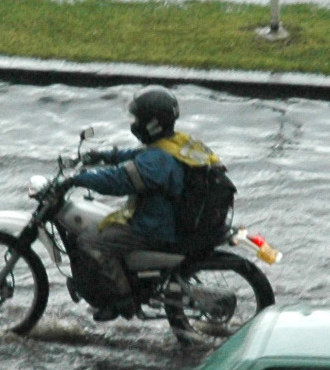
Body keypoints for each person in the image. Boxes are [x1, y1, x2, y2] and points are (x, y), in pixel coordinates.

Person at [57, 87, 224, 300]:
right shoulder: (174, 142)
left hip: (155, 229)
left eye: (138, 119)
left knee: (89, 241)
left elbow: (117, 181)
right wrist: (103, 156)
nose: (134, 124)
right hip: (173, 221)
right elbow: (138, 155)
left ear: (152, 124)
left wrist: (75, 179)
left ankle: (121, 298)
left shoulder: (156, 162)